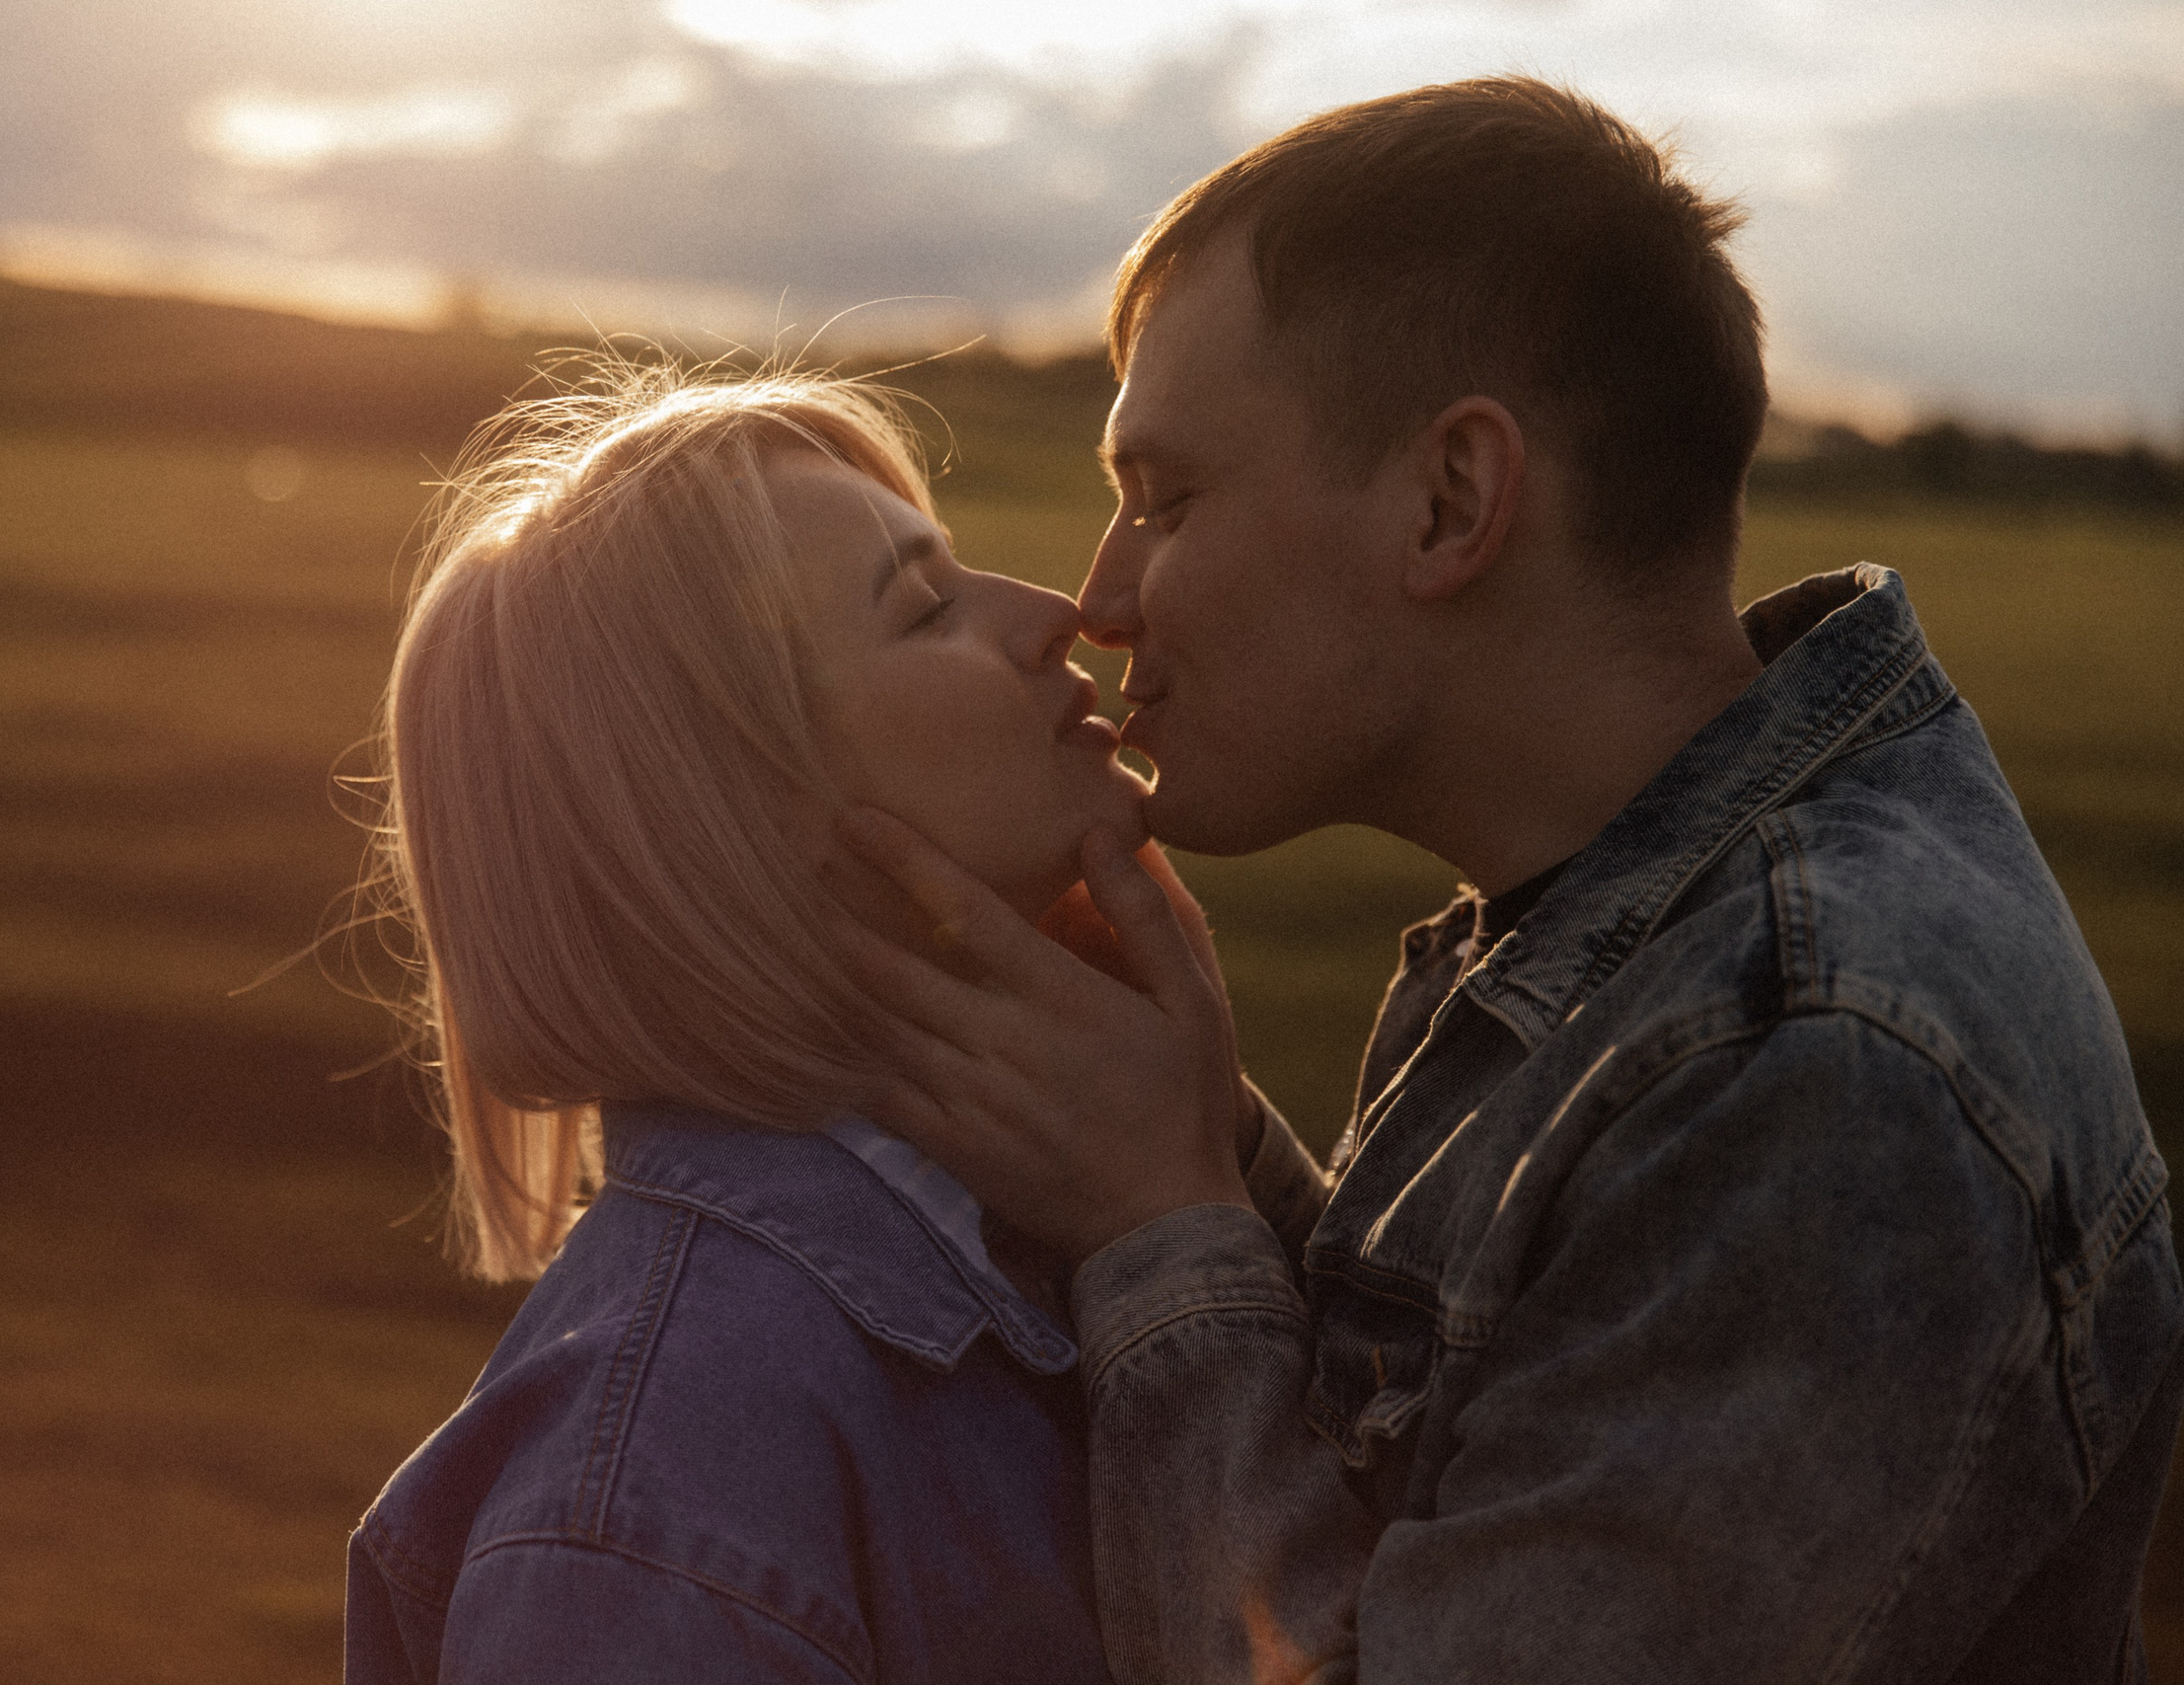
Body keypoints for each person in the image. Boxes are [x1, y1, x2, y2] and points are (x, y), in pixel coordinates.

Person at [836, 77, 2184, 1681]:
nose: (1099, 600)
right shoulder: (1640, 932)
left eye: (1167, 499)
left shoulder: (1820, 1064)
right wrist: (1207, 1141)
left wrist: (1157, 1222)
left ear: (1450, 500)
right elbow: (1461, 1430)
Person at [339, 363, 1321, 1683]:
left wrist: (1212, 1175)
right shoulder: (658, 1493)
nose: (1059, 616)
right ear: (738, 828)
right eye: (923, 609)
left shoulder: (1056, 1231)